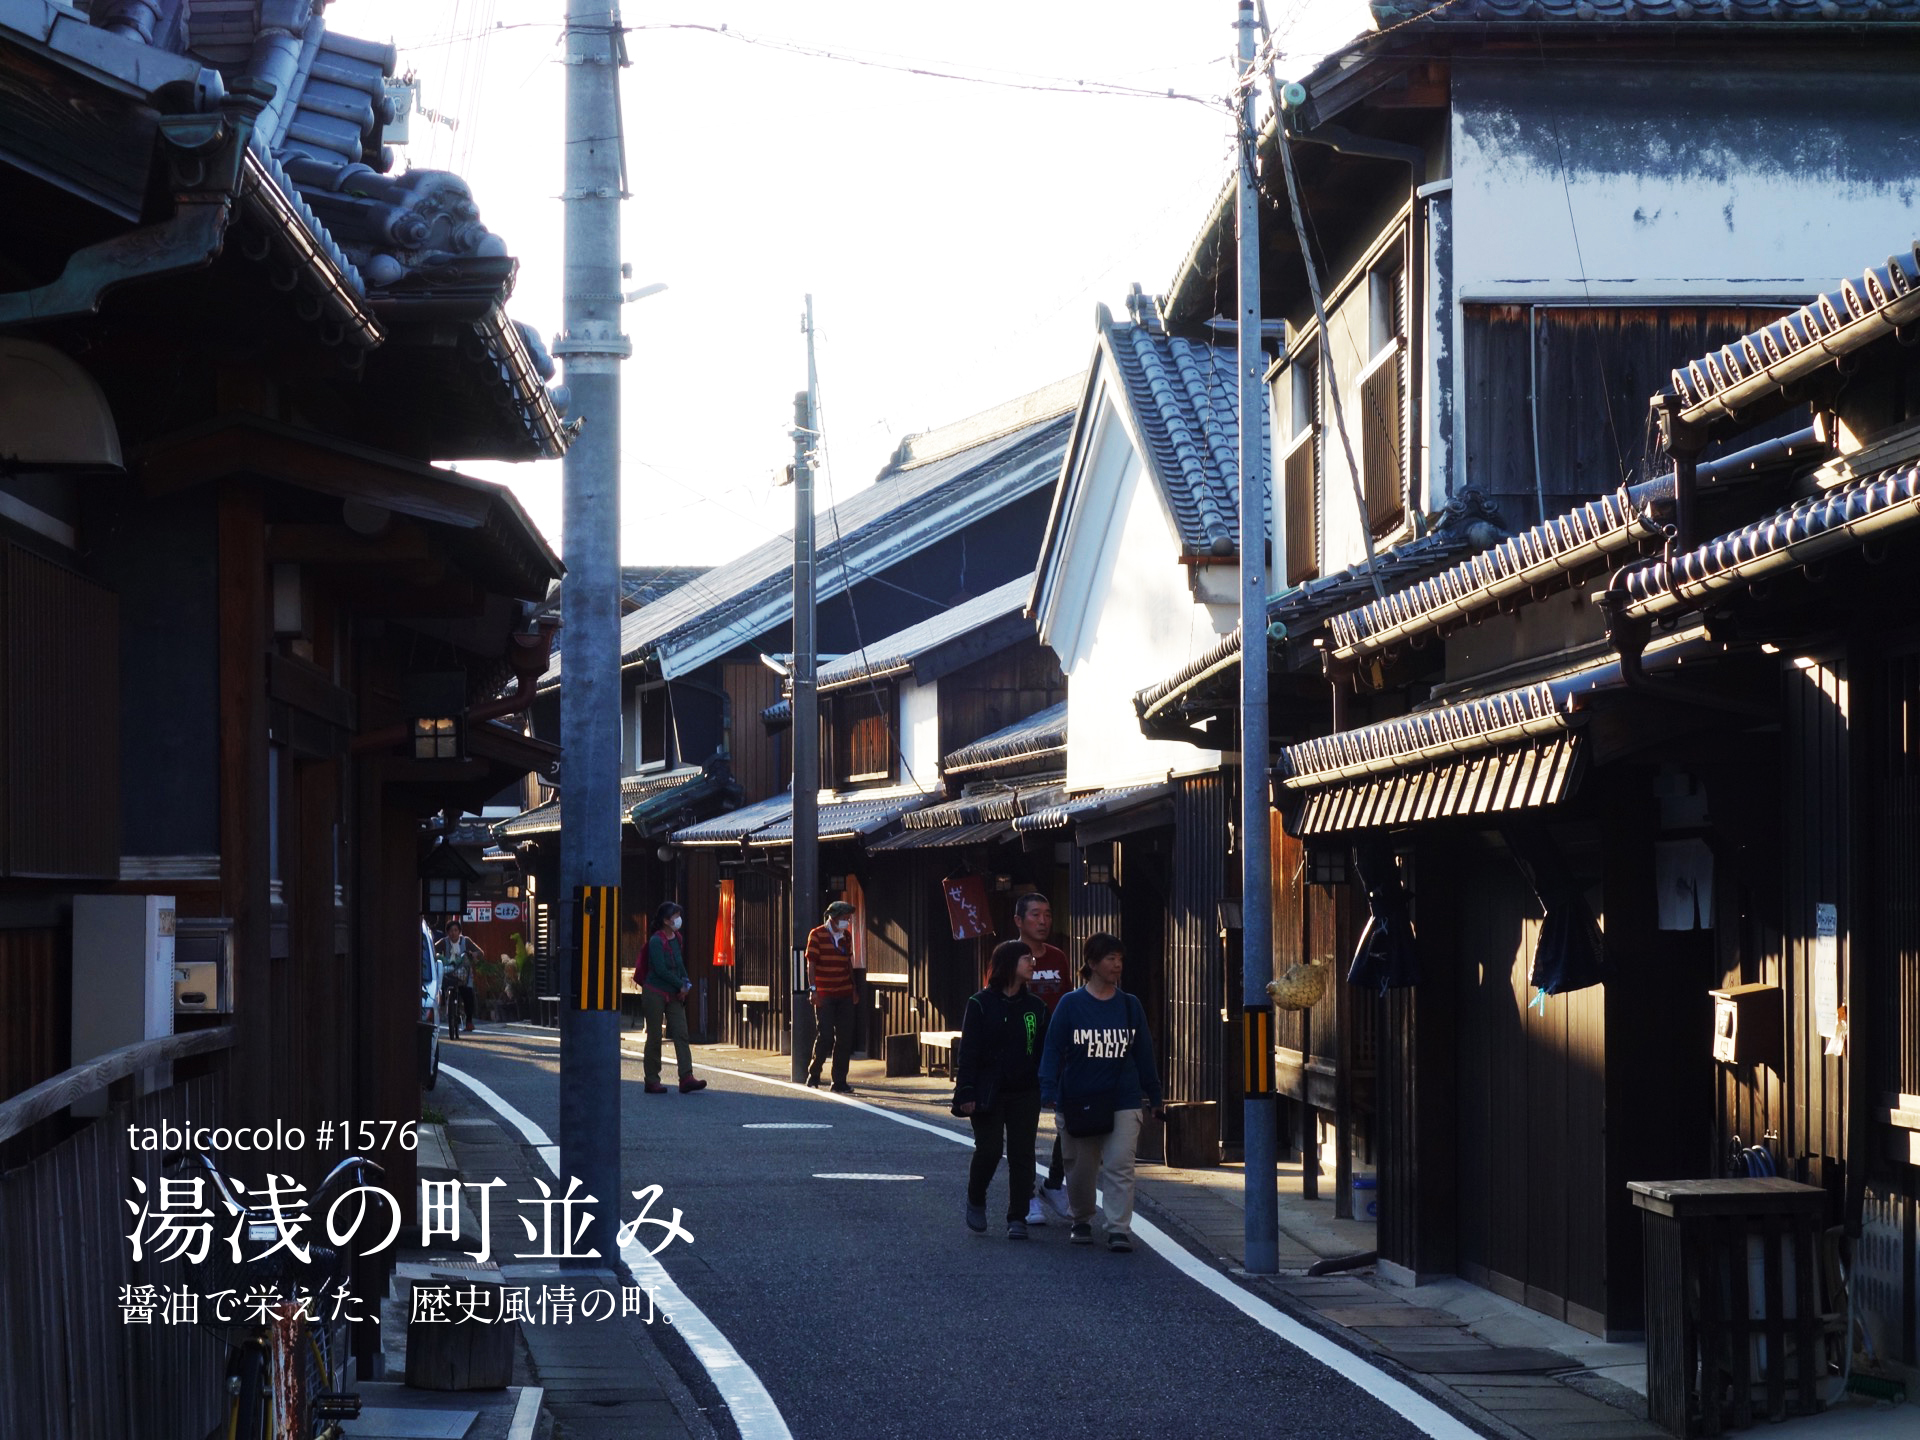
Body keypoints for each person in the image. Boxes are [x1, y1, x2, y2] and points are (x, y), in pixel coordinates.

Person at [1038, 932, 1164, 1253]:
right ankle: (1081, 1218)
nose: (1117, 965)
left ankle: (1118, 1228)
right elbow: (1053, 1049)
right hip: (1079, 1097)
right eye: (1110, 959)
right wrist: (1048, 1089)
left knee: (1121, 1164)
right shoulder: (1070, 1004)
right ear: (1092, 963)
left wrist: (1155, 1096)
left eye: (1120, 959)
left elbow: (1144, 1054)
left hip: (1122, 1097)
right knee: (1080, 1168)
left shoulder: (1129, 1006)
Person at [953, 940, 1048, 1240]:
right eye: (1026, 959)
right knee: (990, 1149)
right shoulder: (980, 1003)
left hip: (1025, 1090)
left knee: (1023, 1154)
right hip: (987, 1090)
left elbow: (1043, 1051)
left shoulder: (1037, 1007)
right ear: (1008, 963)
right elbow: (968, 1052)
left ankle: (1017, 1216)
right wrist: (966, 1091)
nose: (1032, 963)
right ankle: (976, 1197)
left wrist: (1048, 1086)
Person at [1009, 892, 1073, 1227]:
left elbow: (1071, 1000)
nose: (1044, 921)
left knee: (1069, 1120)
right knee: (1025, 1126)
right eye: (1035, 915)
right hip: (1023, 1053)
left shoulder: (1059, 957)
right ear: (1019, 921)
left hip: (1060, 1051)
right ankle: (1027, 1194)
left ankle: (1053, 1182)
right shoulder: (1007, 956)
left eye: (1048, 914)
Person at [640, 902, 706, 1094]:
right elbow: (660, 970)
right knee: (654, 1036)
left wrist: (686, 983)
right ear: (666, 920)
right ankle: (651, 1079)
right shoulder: (655, 941)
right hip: (654, 991)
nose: (678, 919)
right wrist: (680, 984)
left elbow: (679, 963)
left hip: (674, 992)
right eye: (675, 915)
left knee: (681, 1032)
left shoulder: (677, 938)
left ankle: (686, 1076)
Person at [805, 900, 859, 1093]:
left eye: (849, 918)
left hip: (844, 991)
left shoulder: (846, 936)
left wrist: (853, 988)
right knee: (825, 1035)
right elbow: (811, 964)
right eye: (845, 918)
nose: (848, 921)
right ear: (834, 917)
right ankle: (815, 1071)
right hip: (824, 993)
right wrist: (813, 990)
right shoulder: (817, 934)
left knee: (845, 1037)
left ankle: (839, 1081)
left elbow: (848, 963)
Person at [439, 919, 479, 1037]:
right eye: (451, 931)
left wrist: (474, 954)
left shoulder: (466, 941)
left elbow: (480, 952)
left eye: (456, 930)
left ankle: (469, 1021)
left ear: (460, 931)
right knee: (440, 988)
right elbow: (433, 949)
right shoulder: (443, 942)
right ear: (447, 932)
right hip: (448, 973)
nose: (453, 933)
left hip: (464, 974)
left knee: (468, 994)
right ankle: (443, 1010)